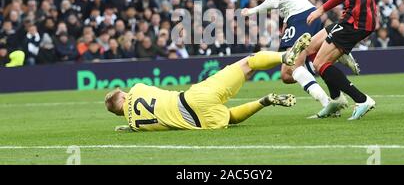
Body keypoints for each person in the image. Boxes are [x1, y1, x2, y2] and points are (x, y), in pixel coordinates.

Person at [241, 0, 359, 113]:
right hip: (305, 13)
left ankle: (328, 103)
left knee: (288, 73)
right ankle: (331, 54)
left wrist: (251, 11)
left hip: (300, 17)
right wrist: (288, 19)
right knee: (306, 67)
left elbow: (273, 1)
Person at [105, 48, 304, 132]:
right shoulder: (136, 88)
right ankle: (284, 56)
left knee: (229, 117)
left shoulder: (136, 126)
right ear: (123, 96)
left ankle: (265, 101)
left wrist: (126, 125)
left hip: (200, 122)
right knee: (248, 63)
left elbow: (133, 119)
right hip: (191, 98)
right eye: (124, 94)